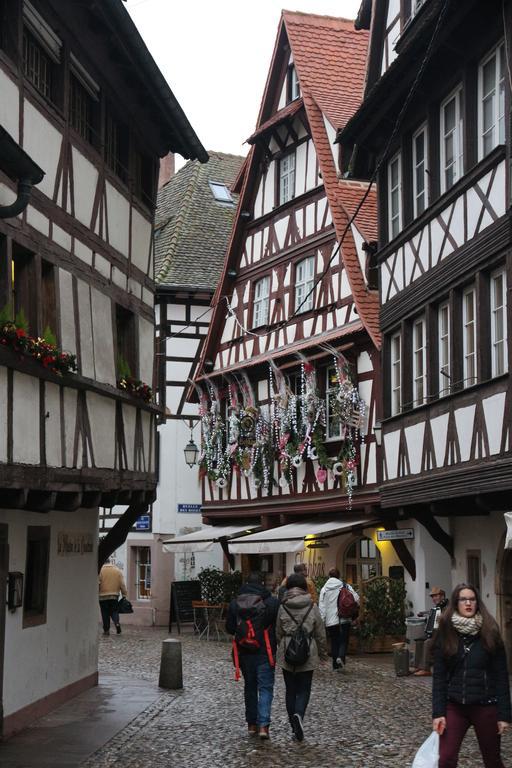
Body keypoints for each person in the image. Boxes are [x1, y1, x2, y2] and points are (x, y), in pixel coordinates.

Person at [432, 583, 511, 767]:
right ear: (456, 603)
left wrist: (504, 715)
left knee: (492, 760)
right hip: (455, 706)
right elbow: (439, 678)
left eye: (472, 599)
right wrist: (438, 712)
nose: (468, 603)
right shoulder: (446, 634)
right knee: (446, 758)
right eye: (463, 599)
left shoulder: (490, 633)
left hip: (486, 706)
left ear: (477, 603)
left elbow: (501, 676)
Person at [226, 572, 279, 740]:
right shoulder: (271, 603)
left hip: (244, 652)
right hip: (265, 651)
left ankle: (251, 725)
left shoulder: (235, 604)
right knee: (265, 688)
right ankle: (264, 726)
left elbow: (229, 628)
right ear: (262, 584)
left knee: (250, 688)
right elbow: (278, 626)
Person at [276, 573, 328, 741]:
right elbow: (320, 632)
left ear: (288, 588)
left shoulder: (282, 606)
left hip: (287, 652)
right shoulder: (312, 606)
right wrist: (323, 654)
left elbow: (278, 632)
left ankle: (293, 725)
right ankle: (299, 714)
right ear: (305, 588)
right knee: (304, 689)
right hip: (308, 651)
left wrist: (284, 644)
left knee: (290, 690)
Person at [319, 567, 359, 671]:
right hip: (344, 618)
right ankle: (341, 657)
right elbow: (356, 599)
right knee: (343, 640)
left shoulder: (324, 589)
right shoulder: (345, 586)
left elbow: (322, 606)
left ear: (329, 576)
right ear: (339, 576)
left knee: (334, 641)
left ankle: (335, 665)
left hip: (330, 621)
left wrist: (322, 620)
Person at [413, 586, 448, 676]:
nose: (434, 598)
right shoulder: (437, 608)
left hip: (446, 636)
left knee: (428, 642)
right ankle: (417, 666)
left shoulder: (448, 607)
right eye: (432, 597)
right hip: (437, 634)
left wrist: (441, 619)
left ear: (442, 596)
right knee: (419, 640)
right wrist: (423, 614)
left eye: (436, 596)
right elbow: (431, 612)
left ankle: (426, 668)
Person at [98, 561, 127, 635]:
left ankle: (106, 630)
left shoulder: (101, 570)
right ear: (110, 562)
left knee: (105, 613)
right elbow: (122, 584)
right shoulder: (117, 570)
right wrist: (124, 594)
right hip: (114, 596)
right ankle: (117, 623)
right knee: (114, 611)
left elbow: (98, 583)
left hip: (102, 596)